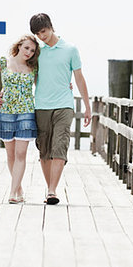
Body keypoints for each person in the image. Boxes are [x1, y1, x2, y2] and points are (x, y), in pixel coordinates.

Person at [29, 13, 91, 205]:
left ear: (51, 27)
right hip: (41, 106)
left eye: (43, 31)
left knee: (60, 146)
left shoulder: (70, 49)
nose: (41, 36)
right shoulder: (36, 52)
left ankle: (52, 190)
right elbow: (24, 73)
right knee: (44, 150)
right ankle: (50, 190)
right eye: (37, 34)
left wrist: (88, 106)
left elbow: (79, 78)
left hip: (64, 105)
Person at [0, 34, 39, 204]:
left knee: (21, 153)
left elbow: (45, 85)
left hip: (26, 113)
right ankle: (19, 189)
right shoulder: (3, 62)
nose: (29, 52)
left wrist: (66, 84)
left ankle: (12, 192)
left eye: (32, 50)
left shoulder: (34, 67)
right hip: (6, 112)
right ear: (19, 45)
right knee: (11, 155)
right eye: (27, 48)